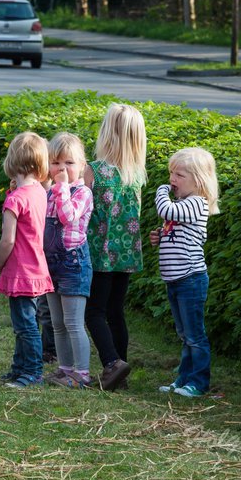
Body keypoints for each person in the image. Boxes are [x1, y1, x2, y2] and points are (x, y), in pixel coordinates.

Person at [85, 103, 147, 391]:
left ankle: (112, 363)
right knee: (115, 312)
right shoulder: (136, 176)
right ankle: (120, 367)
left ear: (107, 133)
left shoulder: (94, 171)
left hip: (99, 254)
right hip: (127, 254)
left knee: (93, 312)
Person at [150, 148, 220, 398]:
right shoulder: (183, 205)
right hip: (176, 280)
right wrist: (160, 237)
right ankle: (184, 379)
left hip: (190, 278)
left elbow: (165, 211)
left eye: (179, 175)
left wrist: (160, 191)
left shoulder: (196, 203)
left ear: (199, 180)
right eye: (171, 174)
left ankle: (198, 383)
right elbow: (173, 227)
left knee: (194, 335)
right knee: (185, 335)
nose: (172, 180)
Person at [0, 132, 53, 388]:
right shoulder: (40, 192)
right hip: (37, 268)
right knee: (26, 322)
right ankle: (19, 368)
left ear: (12, 161)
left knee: (25, 325)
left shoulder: (15, 199)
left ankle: (32, 371)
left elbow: (8, 240)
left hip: (21, 271)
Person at [41, 133, 95, 389]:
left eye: (69, 163)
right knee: (57, 323)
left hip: (73, 264)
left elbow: (68, 217)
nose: (62, 169)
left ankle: (82, 372)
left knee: (74, 322)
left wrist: (61, 187)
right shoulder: (49, 191)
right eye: (56, 163)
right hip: (52, 263)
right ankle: (64, 369)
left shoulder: (82, 193)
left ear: (82, 166)